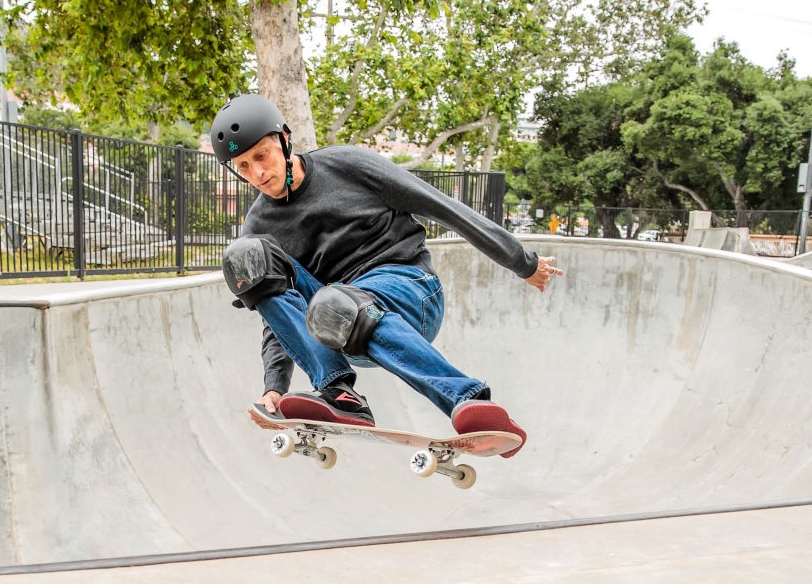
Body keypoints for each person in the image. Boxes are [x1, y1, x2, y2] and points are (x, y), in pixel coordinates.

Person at [211, 94, 563, 457]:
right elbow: (278, 312)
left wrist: (522, 262)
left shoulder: (347, 165)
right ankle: (341, 394)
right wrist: (275, 385)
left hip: (411, 291)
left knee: (337, 300)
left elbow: (444, 207)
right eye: (243, 166)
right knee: (246, 257)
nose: (258, 174)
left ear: (284, 139)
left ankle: (467, 400)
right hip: (338, 323)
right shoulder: (260, 223)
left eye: (262, 156)